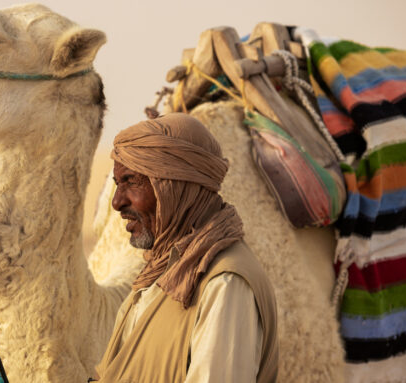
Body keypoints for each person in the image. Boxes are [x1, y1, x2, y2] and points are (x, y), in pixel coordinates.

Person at [92, 113, 278, 383]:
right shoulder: (157, 275)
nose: (117, 202)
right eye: (117, 185)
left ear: (174, 187)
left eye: (131, 181)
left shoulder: (225, 284)